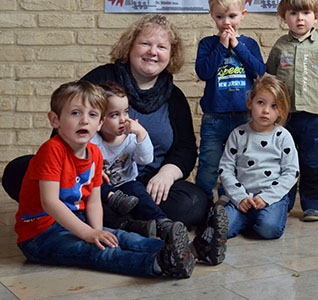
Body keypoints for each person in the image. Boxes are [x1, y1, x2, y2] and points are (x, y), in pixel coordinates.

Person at [3, 15, 228, 265]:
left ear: (171, 55)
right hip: (91, 179)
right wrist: (87, 168)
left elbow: (185, 149)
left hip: (146, 183)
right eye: (145, 44)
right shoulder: (100, 81)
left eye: (162, 47)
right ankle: (136, 225)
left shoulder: (174, 97)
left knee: (196, 202)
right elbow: (67, 128)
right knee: (20, 170)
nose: (153, 52)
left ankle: (135, 224)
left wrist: (167, 173)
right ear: (130, 46)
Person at [15, 81, 194, 278]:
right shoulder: (51, 150)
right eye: (75, 113)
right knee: (97, 252)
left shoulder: (94, 153)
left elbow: (93, 201)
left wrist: (98, 232)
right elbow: (50, 202)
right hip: (40, 235)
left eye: (92, 115)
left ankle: (186, 250)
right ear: (55, 120)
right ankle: (158, 263)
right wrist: (89, 235)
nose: (84, 121)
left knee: (122, 238)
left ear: (99, 123)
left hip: (76, 222)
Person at [266, 0, 318, 222]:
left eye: (306, 12)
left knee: (313, 162)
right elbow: (272, 78)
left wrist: (313, 99)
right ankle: (283, 202)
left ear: (315, 17)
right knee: (284, 161)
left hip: (313, 116)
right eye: (293, 13)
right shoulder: (279, 46)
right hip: (285, 116)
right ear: (284, 17)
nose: (300, 18)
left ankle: (313, 205)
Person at [195, 0, 265, 198]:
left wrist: (237, 46)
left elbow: (259, 71)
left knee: (239, 164)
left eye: (232, 16)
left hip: (244, 115)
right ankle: (202, 204)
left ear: (242, 14)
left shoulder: (249, 44)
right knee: (209, 163)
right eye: (219, 17)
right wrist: (222, 47)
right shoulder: (208, 44)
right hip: (214, 117)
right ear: (211, 15)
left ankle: (230, 203)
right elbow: (204, 72)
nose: (226, 23)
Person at [92, 82, 186, 240]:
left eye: (126, 112)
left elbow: (145, 159)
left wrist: (141, 136)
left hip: (126, 183)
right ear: (99, 120)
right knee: (95, 189)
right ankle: (125, 213)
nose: (123, 119)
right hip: (102, 188)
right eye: (115, 115)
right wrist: (94, 171)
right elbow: (79, 162)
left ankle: (162, 223)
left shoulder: (130, 137)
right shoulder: (93, 140)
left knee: (141, 195)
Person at [218, 75, 299, 240]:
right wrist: (240, 197)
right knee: (221, 228)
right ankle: (240, 214)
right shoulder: (238, 134)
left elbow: (292, 172)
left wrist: (267, 197)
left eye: (274, 106)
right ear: (250, 102)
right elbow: (225, 169)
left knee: (269, 229)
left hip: (272, 196)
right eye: (261, 102)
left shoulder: (283, 136)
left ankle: (255, 218)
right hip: (242, 194)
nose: (266, 111)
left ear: (281, 111)